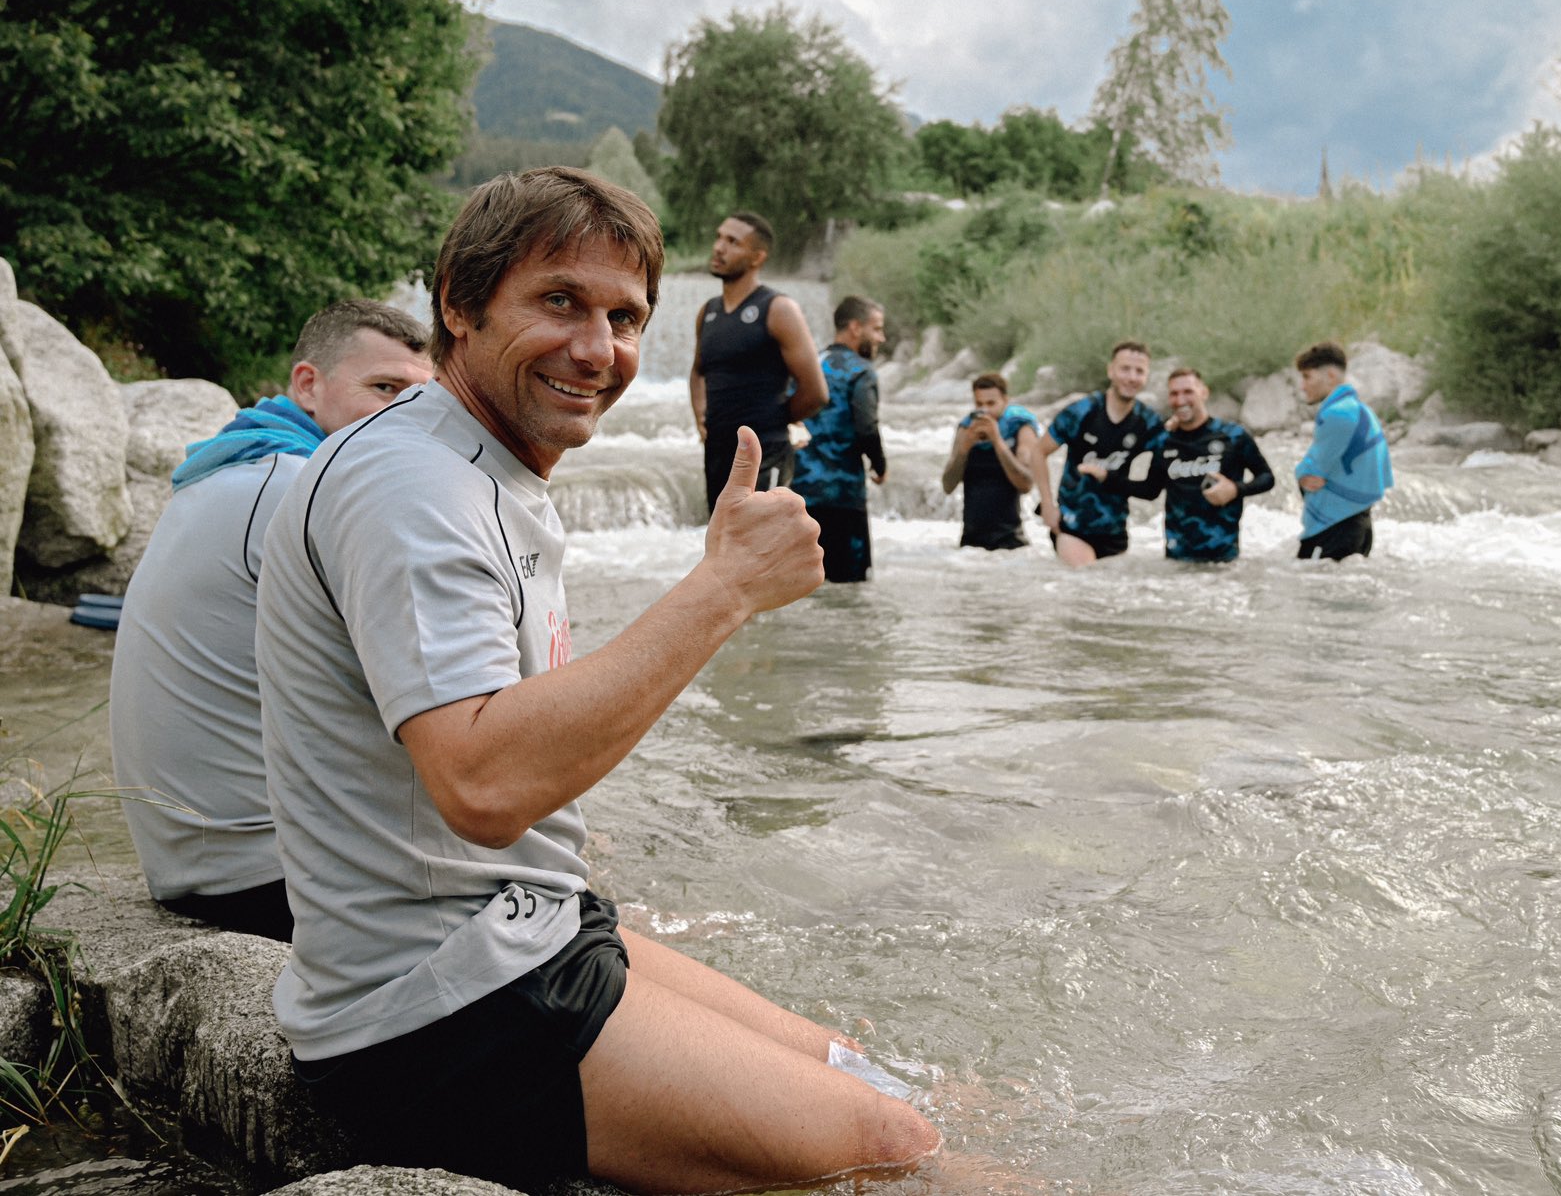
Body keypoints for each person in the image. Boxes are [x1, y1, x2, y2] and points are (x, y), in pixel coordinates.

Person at [254, 168, 938, 1193]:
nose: (598, 349)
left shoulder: (480, 463)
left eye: (624, 317)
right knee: (894, 1153)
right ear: (457, 300)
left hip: (519, 929)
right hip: (439, 1013)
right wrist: (721, 592)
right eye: (559, 301)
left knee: (870, 1071)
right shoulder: (413, 484)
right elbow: (481, 782)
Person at [108, 299, 432, 942]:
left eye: (421, 398)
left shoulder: (237, 466)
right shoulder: (302, 491)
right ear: (308, 384)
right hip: (264, 881)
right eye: (384, 388)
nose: (405, 416)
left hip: (197, 863)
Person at [690, 211, 827, 494]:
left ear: (757, 258)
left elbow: (816, 392)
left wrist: (773, 420)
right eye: (718, 237)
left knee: (761, 538)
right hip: (717, 450)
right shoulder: (708, 311)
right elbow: (698, 371)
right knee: (722, 538)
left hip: (766, 451)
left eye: (733, 242)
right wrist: (700, 418)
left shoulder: (778, 309)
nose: (719, 247)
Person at [1027, 339, 1161, 566]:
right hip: (1072, 525)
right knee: (1086, 581)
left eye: (1139, 371)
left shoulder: (1147, 421)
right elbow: (1039, 452)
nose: (1131, 377)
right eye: (1125, 369)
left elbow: (1158, 478)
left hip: (1115, 528)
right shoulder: (1081, 412)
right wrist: (1048, 505)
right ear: (1111, 371)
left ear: (1146, 377)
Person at [1125, 367, 1275, 562]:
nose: (1180, 400)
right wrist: (1106, 479)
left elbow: (1267, 478)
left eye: (1188, 392)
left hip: (1224, 561)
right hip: (1175, 560)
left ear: (1204, 392)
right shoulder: (1163, 441)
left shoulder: (1233, 435)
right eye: (1174, 394)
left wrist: (1235, 489)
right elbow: (1150, 490)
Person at [790, 295, 888, 583]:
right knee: (850, 587)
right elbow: (866, 426)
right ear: (855, 328)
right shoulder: (860, 370)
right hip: (843, 494)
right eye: (877, 328)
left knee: (807, 584)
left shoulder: (810, 363)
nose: (881, 337)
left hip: (801, 492)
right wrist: (880, 466)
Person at [1293, 341, 1392, 561]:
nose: (1302, 386)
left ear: (1330, 376)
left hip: (1334, 527)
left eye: (1307, 377)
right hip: (1358, 524)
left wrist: (1300, 473)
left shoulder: (1338, 414)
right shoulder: (1363, 410)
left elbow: (1312, 471)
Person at [940, 373, 1041, 551]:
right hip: (970, 545)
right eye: (979, 404)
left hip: (1011, 542)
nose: (985, 410)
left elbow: (1026, 484)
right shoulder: (966, 428)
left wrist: (997, 441)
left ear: (1005, 401)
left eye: (991, 404)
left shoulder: (1021, 429)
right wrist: (965, 448)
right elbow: (948, 486)